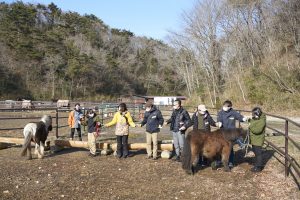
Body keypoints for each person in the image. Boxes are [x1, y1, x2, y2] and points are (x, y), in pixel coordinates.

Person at [217, 100, 248, 168]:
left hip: (231, 133)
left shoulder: (233, 112)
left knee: (230, 148)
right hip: (223, 132)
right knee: (221, 147)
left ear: (230, 107)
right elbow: (219, 119)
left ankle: (230, 162)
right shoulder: (220, 113)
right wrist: (219, 122)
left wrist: (243, 119)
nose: (224, 107)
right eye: (224, 106)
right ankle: (220, 160)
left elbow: (239, 117)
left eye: (226, 107)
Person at [248, 107, 266, 172]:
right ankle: (256, 165)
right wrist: (250, 121)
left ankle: (258, 167)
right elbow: (253, 122)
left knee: (258, 153)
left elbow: (257, 130)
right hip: (254, 139)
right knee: (255, 152)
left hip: (258, 139)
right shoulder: (256, 118)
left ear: (257, 114)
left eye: (254, 114)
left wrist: (250, 126)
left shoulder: (262, 121)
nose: (253, 116)